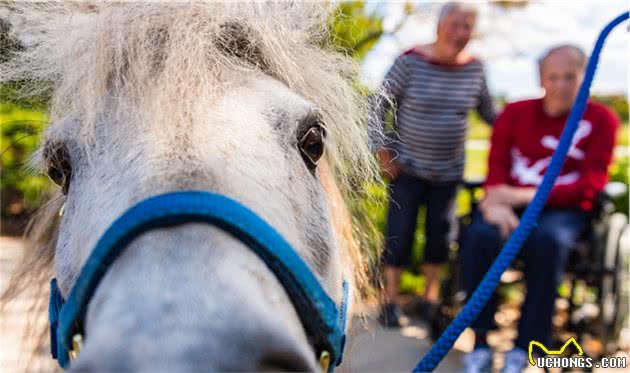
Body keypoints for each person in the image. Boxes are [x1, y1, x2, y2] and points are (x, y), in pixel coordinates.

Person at [460, 44, 619, 373]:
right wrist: (493, 203)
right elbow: (497, 168)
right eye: (554, 77)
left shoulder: (602, 120)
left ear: (585, 78)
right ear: (541, 79)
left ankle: (526, 345)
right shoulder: (514, 114)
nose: (561, 85)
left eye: (570, 77)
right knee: (480, 236)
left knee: (549, 242)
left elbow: (589, 186)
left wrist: (519, 197)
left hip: (565, 210)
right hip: (509, 205)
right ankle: (481, 339)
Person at [374, 1, 496, 328]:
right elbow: (375, 105)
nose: (459, 33)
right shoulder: (410, 63)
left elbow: (490, 114)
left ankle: (428, 301)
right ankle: (390, 301)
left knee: (439, 237)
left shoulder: (475, 69)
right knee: (399, 234)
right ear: (439, 25)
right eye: (454, 24)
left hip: (448, 172)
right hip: (408, 168)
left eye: (467, 27)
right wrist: (382, 150)